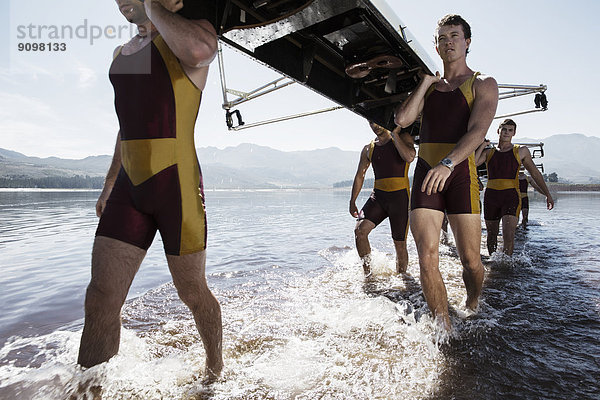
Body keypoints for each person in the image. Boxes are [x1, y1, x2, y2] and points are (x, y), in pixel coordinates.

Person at [77, 0, 223, 381]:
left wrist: (152, 7)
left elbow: (201, 51)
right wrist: (110, 183)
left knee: (192, 293)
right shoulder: (121, 54)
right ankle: (90, 385)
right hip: (129, 188)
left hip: (177, 185)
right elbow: (127, 124)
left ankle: (215, 371)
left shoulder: (191, 34)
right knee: (101, 297)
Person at [394, 14, 498, 329]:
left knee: (472, 262)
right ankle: (444, 328)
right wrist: (425, 82)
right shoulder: (428, 89)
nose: (448, 42)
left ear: (467, 42)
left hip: (459, 174)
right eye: (442, 38)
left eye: (454, 35)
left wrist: (449, 162)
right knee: (427, 256)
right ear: (437, 47)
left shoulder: (482, 84)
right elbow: (401, 120)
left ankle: (472, 300)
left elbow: (478, 131)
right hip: (426, 171)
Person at [475, 119, 554, 255]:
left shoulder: (521, 151)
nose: (506, 133)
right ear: (498, 131)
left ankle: (507, 266)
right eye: (504, 129)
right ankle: (494, 264)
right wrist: (482, 145)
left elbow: (535, 173)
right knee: (491, 234)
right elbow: (474, 163)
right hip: (491, 197)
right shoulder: (489, 153)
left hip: (510, 196)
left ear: (514, 133)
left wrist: (548, 194)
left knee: (508, 234)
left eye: (510, 130)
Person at [349, 122, 416, 275]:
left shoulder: (403, 137)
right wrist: (352, 200)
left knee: (399, 244)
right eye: (370, 123)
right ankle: (368, 275)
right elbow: (360, 175)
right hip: (378, 197)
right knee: (360, 231)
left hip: (400, 198)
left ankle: (402, 277)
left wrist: (395, 135)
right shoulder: (368, 148)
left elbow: (410, 157)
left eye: (377, 122)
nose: (375, 126)